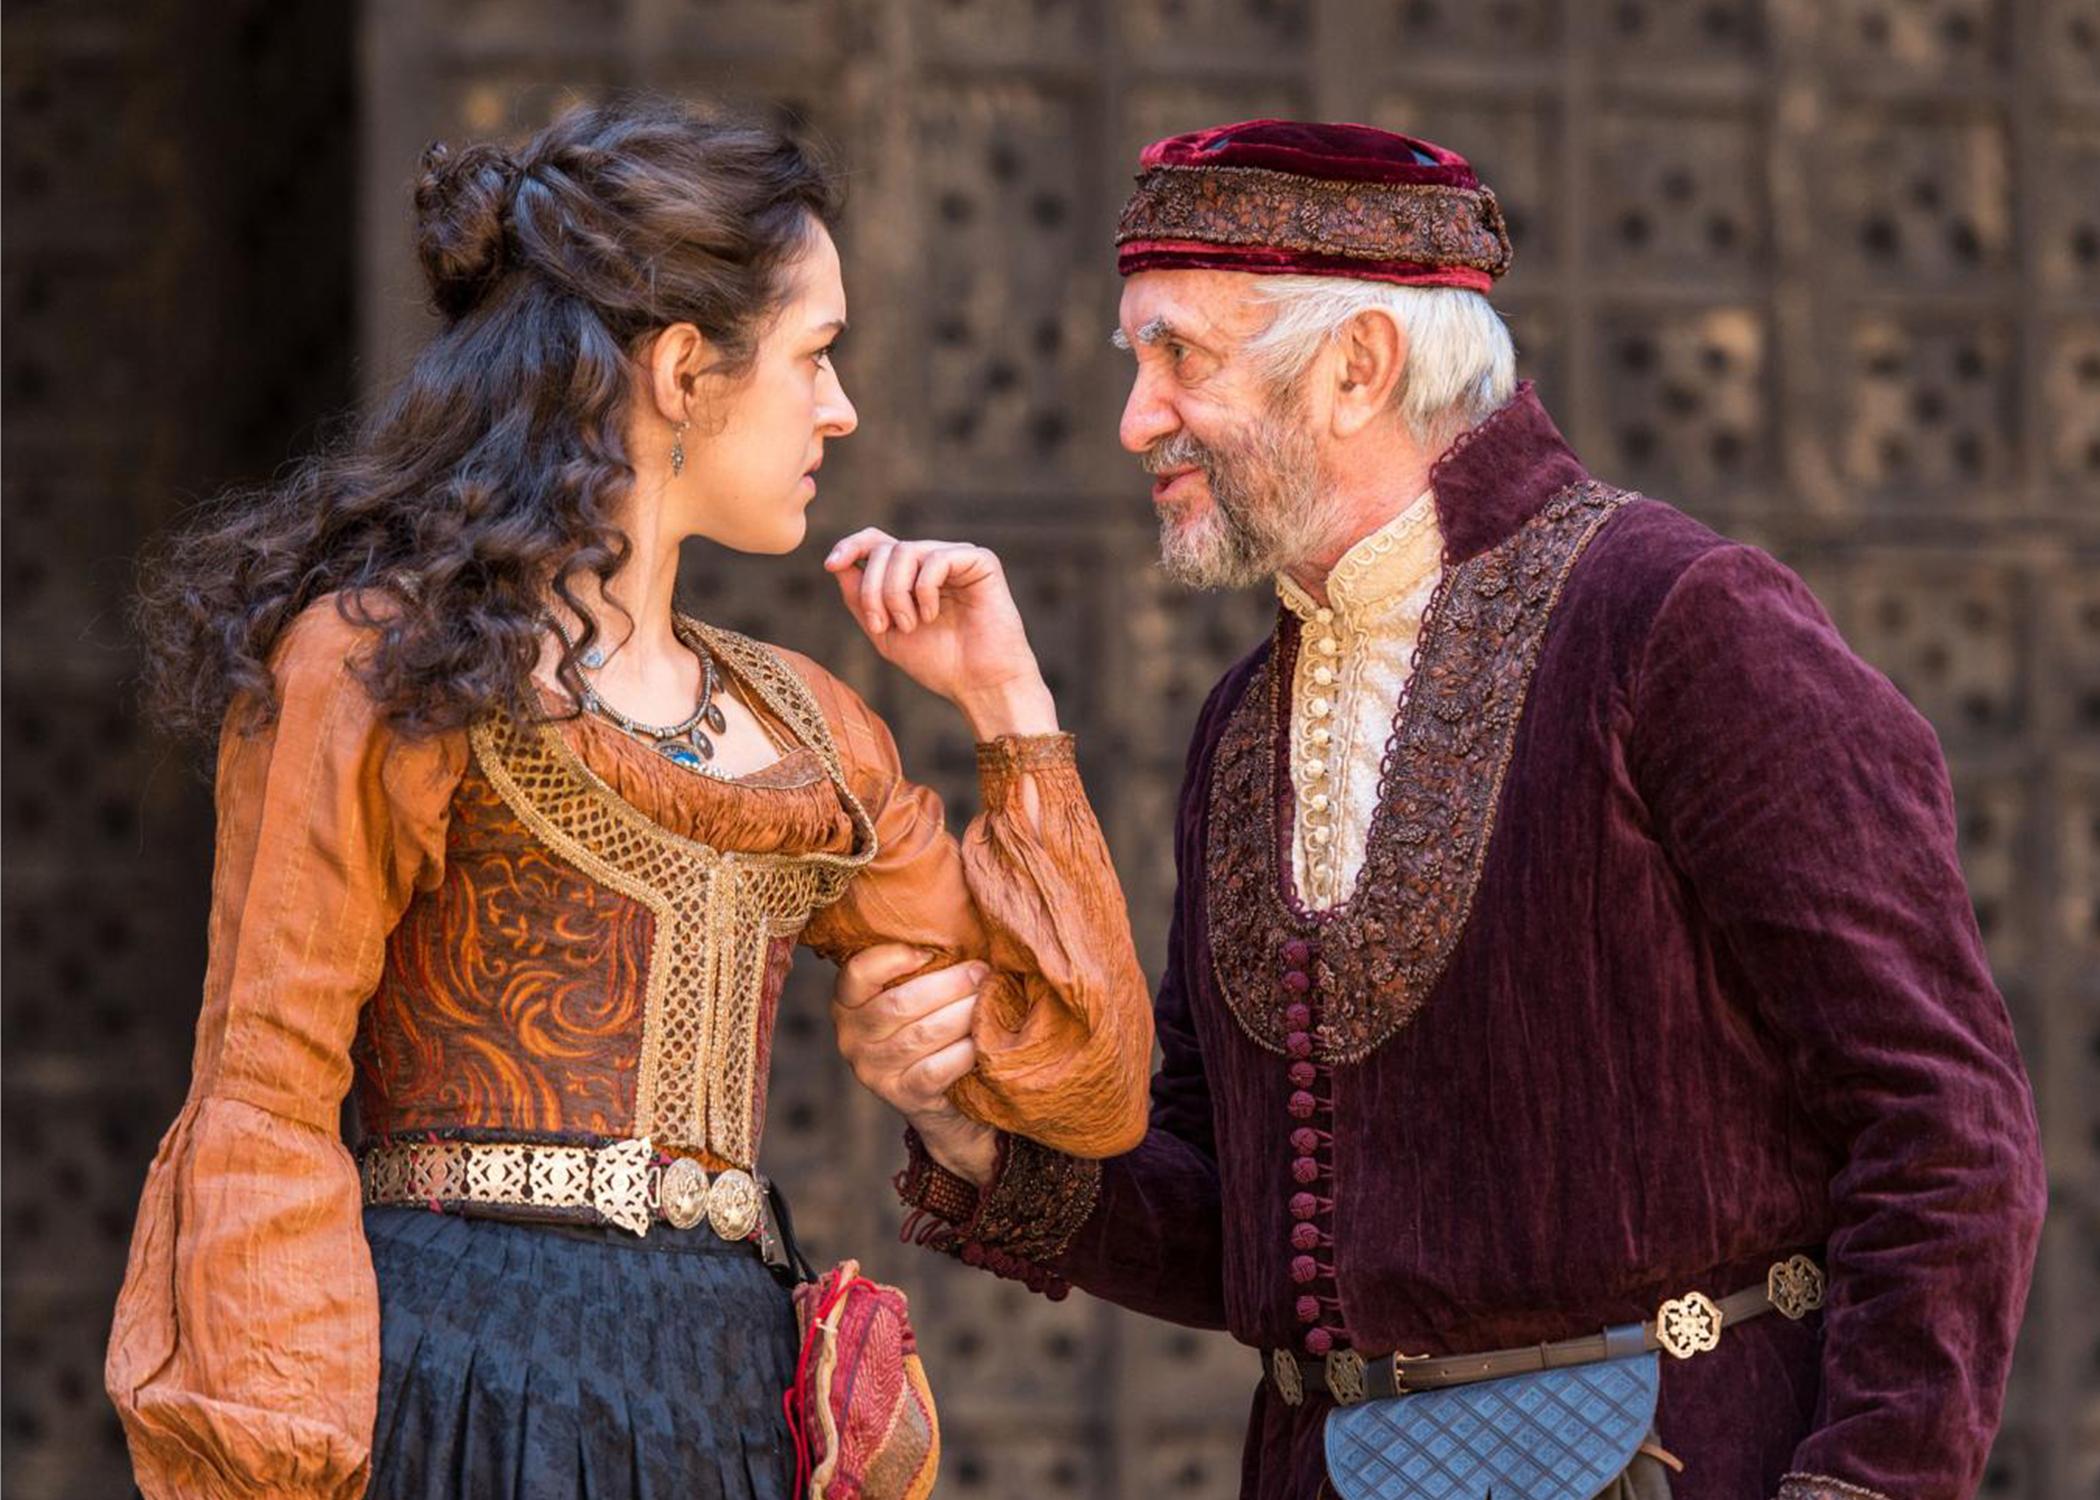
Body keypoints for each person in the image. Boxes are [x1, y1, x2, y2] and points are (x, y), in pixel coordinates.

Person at [833, 119, 2047, 1500]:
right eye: (1136, 363)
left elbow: (1949, 1132)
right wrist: (972, 1126)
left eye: (1179, 356)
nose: (1135, 419)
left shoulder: (1681, 627)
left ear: (1359, 367)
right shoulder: (1245, 721)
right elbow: (1240, 1229)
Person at [104, 97, 1153, 1500]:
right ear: (681, 369)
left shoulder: (809, 728)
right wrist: (278, 1463)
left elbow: (1083, 1076)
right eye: (816, 356)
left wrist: (1009, 705)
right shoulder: (383, 664)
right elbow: (266, 1103)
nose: (840, 409)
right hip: (462, 1375)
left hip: (723, 1385)